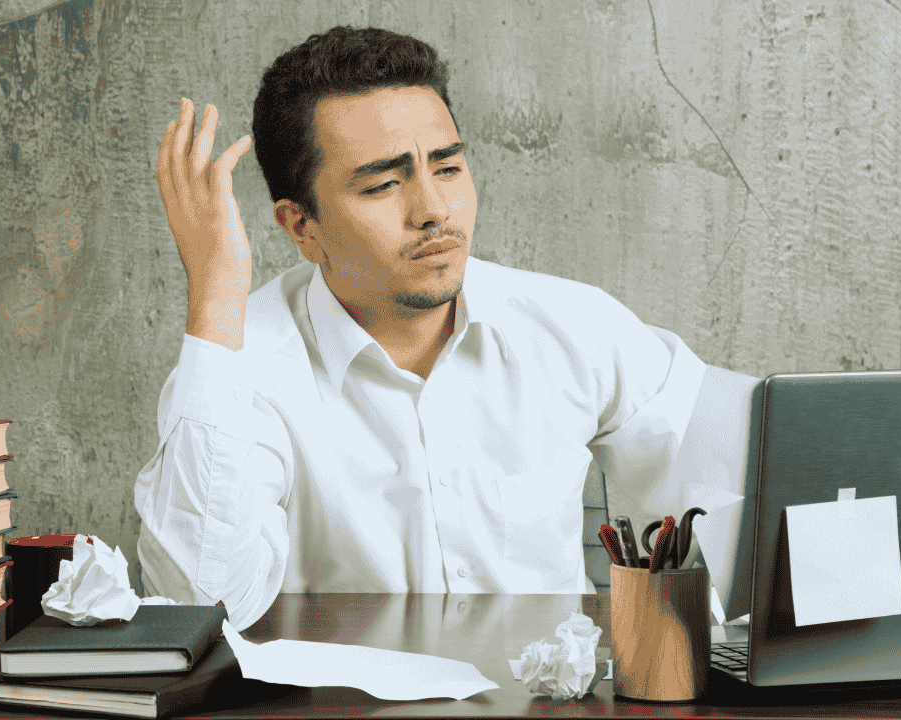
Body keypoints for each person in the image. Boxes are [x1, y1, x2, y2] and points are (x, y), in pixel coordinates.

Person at [135, 26, 707, 630]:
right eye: (383, 184)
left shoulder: (571, 326)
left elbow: (730, 485)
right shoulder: (237, 367)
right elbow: (201, 601)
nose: (433, 209)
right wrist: (216, 293)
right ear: (302, 226)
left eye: (449, 168)